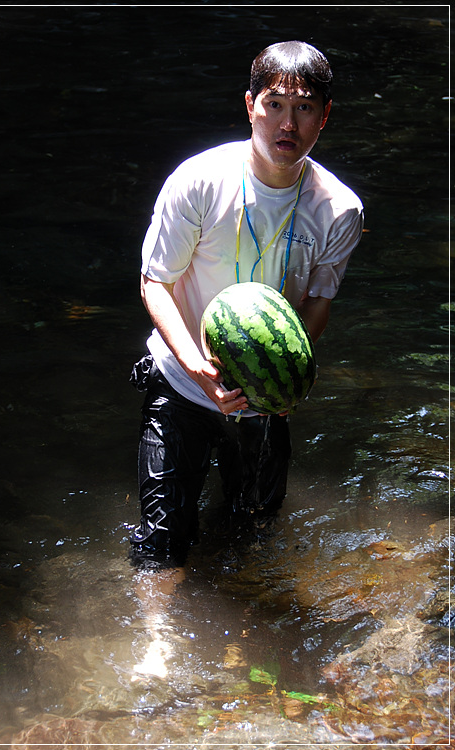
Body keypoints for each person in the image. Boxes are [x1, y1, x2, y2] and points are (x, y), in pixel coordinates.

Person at [129, 40, 364, 568]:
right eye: (274, 104)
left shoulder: (340, 210)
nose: (288, 123)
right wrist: (197, 364)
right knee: (162, 544)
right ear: (250, 105)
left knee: (253, 534)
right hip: (183, 378)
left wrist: (288, 377)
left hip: (262, 394)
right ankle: (159, 647)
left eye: (304, 107)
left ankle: (245, 643)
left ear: (324, 117)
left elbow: (318, 304)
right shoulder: (198, 182)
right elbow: (155, 283)